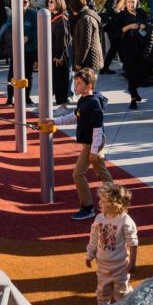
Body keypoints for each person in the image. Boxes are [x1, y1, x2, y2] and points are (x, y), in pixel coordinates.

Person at [48, 69, 115, 221]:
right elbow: (75, 116)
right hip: (93, 142)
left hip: (93, 142)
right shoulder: (83, 100)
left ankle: (88, 207)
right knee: (102, 172)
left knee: (78, 174)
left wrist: (93, 150)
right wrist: (55, 122)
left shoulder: (93, 104)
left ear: (89, 86)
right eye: (75, 83)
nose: (75, 87)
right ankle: (114, 201)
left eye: (79, 84)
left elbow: (97, 129)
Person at [84, 183, 138, 305]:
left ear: (114, 203)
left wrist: (133, 263)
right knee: (102, 293)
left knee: (121, 294)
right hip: (102, 264)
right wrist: (90, 254)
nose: (99, 203)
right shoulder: (99, 218)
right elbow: (93, 238)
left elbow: (133, 242)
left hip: (120, 265)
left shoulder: (125, 220)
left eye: (103, 201)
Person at [113, 0, 151, 109]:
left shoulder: (141, 12)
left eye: (133, 2)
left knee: (144, 73)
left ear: (137, 2)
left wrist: (144, 25)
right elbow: (117, 32)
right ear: (125, 3)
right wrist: (129, 27)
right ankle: (133, 98)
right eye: (129, 2)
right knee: (131, 73)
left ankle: (133, 90)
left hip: (142, 46)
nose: (131, 4)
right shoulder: (121, 15)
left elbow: (148, 24)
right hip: (128, 47)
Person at [69, 0, 104, 78]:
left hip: (89, 61)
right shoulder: (86, 16)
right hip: (89, 60)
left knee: (87, 88)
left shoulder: (86, 19)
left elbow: (85, 43)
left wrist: (78, 62)